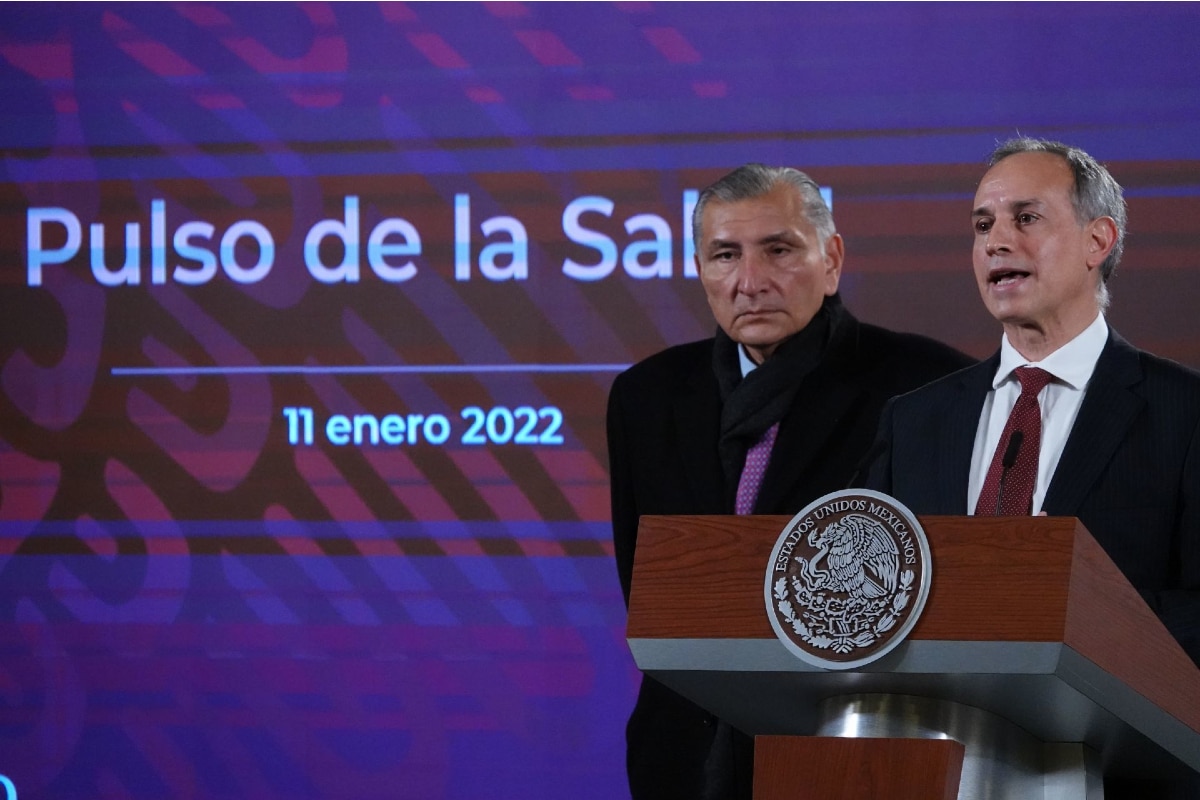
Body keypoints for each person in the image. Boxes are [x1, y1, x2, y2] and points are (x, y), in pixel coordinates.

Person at [607, 164, 973, 800]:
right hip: (682, 756)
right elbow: (646, 593)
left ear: (831, 260)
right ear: (699, 269)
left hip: (857, 752)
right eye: (725, 255)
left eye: (778, 250)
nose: (751, 282)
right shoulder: (647, 397)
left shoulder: (928, 387)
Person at [866, 138, 1200, 795]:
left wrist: (1064, 615)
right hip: (934, 770)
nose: (996, 241)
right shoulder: (916, 421)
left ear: (1096, 241)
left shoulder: (1183, 413)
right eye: (983, 224)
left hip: (1120, 771)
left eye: (1026, 218)